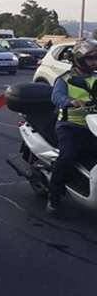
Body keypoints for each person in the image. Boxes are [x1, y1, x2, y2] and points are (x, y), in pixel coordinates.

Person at [48, 39, 97, 214]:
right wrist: (70, 101)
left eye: (96, 58)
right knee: (67, 156)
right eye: (91, 58)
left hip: (93, 126)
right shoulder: (65, 79)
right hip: (70, 126)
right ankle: (54, 197)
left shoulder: (95, 77)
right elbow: (56, 97)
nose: (94, 62)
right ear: (79, 59)